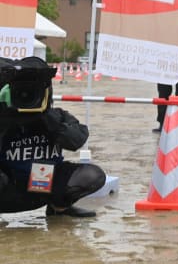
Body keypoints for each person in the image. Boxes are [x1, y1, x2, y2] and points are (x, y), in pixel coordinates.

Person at [0, 57, 106, 218]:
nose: (25, 97)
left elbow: (77, 140)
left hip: (44, 186)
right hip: (8, 191)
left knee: (92, 175)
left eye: (30, 92)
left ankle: (59, 208)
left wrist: (48, 120)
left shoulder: (56, 116)